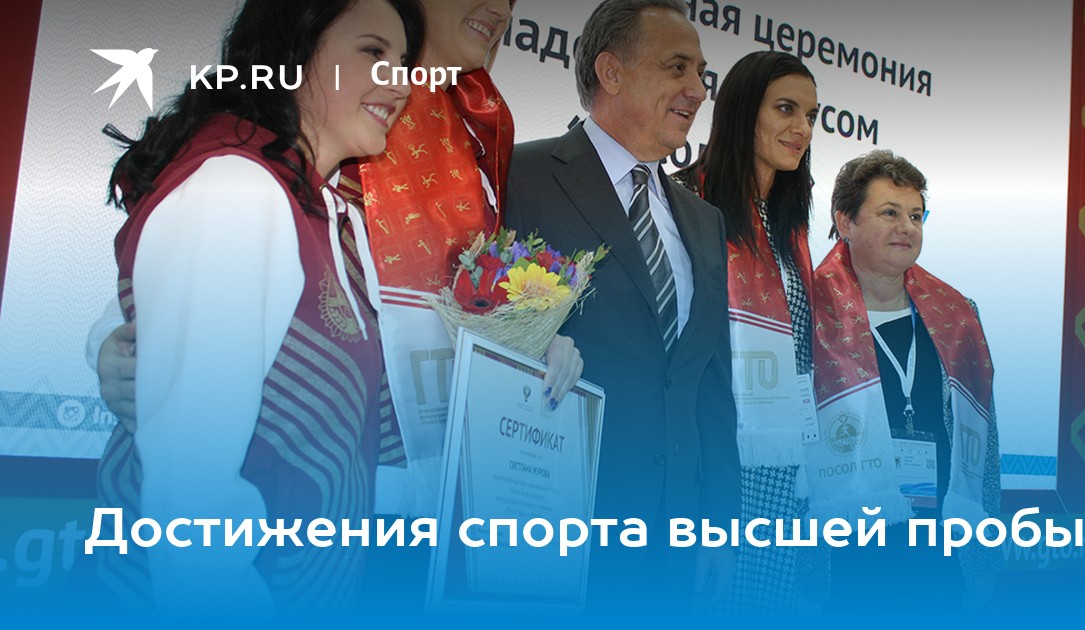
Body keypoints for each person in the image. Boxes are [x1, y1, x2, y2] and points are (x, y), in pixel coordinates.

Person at [88, 0, 584, 522]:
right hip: (281, 513)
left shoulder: (475, 138)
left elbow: (462, 297)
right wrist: (119, 346)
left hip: (409, 499)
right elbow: (182, 279)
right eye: (374, 52)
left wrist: (527, 344)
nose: (500, 8)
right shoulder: (304, 132)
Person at [91, 0, 424, 613]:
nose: (399, 84)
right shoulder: (237, 192)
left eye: (403, 63)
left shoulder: (323, 209)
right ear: (292, 54)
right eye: (372, 53)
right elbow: (192, 494)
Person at [503, 0, 740, 612]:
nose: (698, 90)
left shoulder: (704, 220)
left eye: (700, 73)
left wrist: (720, 527)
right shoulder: (519, 177)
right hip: (560, 521)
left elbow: (711, 386)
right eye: (677, 68)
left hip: (675, 540)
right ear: (611, 72)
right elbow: (489, 334)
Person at [805, 150, 1000, 609]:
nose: (907, 228)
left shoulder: (957, 314)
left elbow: (985, 443)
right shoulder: (808, 312)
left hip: (940, 550)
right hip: (844, 552)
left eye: (916, 215)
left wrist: (986, 553)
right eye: (890, 213)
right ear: (845, 221)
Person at [673, 50, 819, 616]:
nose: (802, 128)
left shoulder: (791, 228)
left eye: (811, 115)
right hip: (711, 463)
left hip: (785, 471)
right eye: (785, 108)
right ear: (741, 111)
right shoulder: (682, 202)